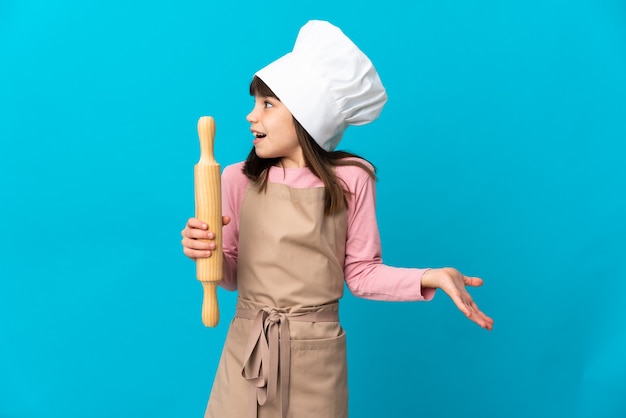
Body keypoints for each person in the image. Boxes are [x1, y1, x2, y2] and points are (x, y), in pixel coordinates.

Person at [181, 20, 494, 418]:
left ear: (306, 117)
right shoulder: (237, 179)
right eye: (254, 103)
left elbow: (362, 273)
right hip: (249, 352)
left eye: (267, 105)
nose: (250, 116)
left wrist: (429, 276)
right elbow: (230, 275)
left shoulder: (352, 179)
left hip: (317, 353)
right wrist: (205, 254)